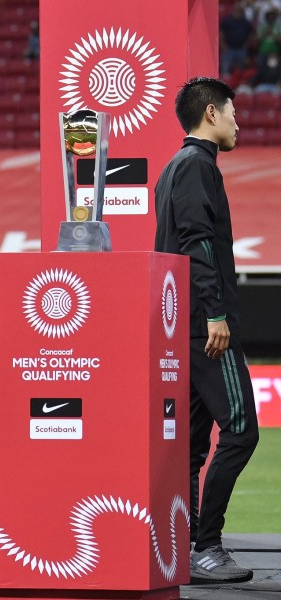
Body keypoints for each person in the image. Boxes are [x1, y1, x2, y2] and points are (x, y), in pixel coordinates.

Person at [154, 76, 259, 585]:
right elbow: (198, 242)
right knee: (241, 431)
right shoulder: (198, 166)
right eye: (234, 113)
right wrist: (215, 313)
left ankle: (184, 546)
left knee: (193, 444)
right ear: (212, 114)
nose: (239, 123)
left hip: (183, 325)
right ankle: (206, 545)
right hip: (206, 327)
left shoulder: (174, 167)